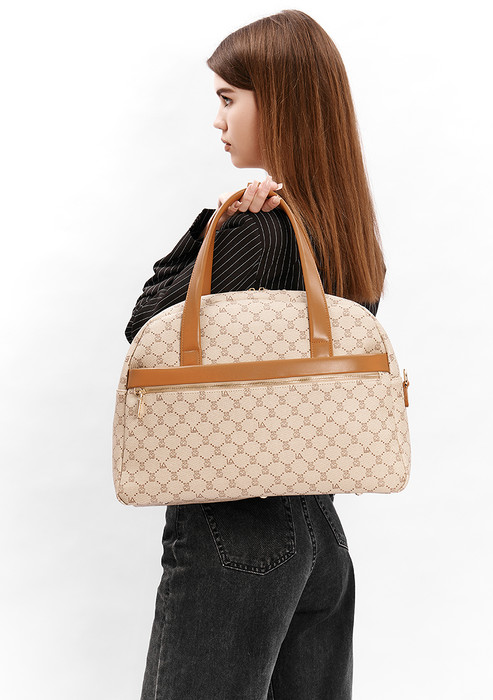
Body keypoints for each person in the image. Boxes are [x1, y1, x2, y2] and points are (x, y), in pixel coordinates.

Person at [125, 9, 386, 700]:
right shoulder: (345, 233)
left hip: (234, 528)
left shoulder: (259, 232)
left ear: (281, 102)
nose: (217, 120)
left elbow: (144, 329)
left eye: (228, 98)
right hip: (321, 534)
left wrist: (213, 226)